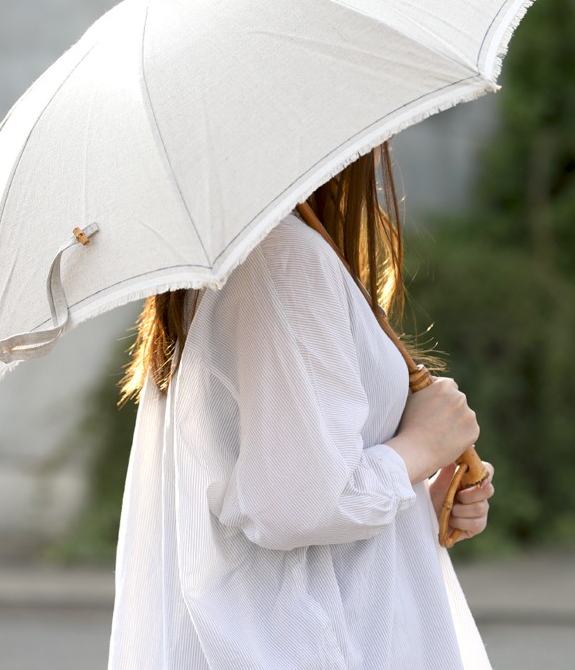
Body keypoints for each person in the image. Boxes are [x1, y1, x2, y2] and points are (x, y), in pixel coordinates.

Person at [107, 143, 495, 670]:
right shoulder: (282, 259)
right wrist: (420, 447)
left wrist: (416, 500)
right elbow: (299, 505)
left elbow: (282, 489)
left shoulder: (250, 261)